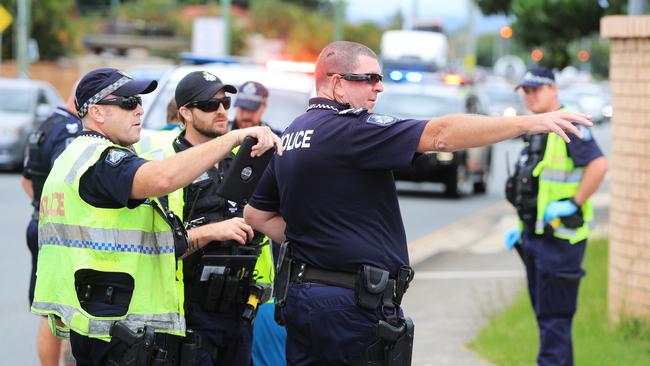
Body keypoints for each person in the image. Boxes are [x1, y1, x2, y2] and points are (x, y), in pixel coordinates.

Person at [243, 41, 592, 365]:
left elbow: (256, 213)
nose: (379, 87)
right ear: (337, 85)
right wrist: (527, 123)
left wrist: (312, 240)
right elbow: (440, 135)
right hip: (349, 306)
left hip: (304, 300)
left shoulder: (291, 132)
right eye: (369, 79)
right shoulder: (350, 129)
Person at [31, 67, 282, 366]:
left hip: (110, 319)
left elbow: (157, 240)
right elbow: (161, 178)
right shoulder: (103, 160)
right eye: (127, 103)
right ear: (96, 112)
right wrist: (234, 138)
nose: (138, 109)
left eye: (139, 102)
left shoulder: (76, 156)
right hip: (115, 326)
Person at [139, 70, 276, 365]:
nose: (222, 111)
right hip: (189, 312)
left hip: (241, 308)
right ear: (186, 112)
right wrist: (214, 232)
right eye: (210, 105)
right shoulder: (166, 165)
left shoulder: (244, 157)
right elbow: (157, 245)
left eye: (225, 103)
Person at [503, 67, 608, 366]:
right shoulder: (537, 131)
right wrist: (523, 229)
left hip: (560, 242)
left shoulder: (568, 124)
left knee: (554, 325)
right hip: (535, 239)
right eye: (526, 90)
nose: (530, 95)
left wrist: (573, 204)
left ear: (554, 89)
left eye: (537, 89)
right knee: (548, 323)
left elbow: (599, 165)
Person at [22, 83, 82, 366]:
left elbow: (26, 181)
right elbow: (71, 182)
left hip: (40, 224)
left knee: (48, 309)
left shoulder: (46, 125)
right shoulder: (70, 131)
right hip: (61, 234)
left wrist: (45, 210)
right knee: (66, 310)